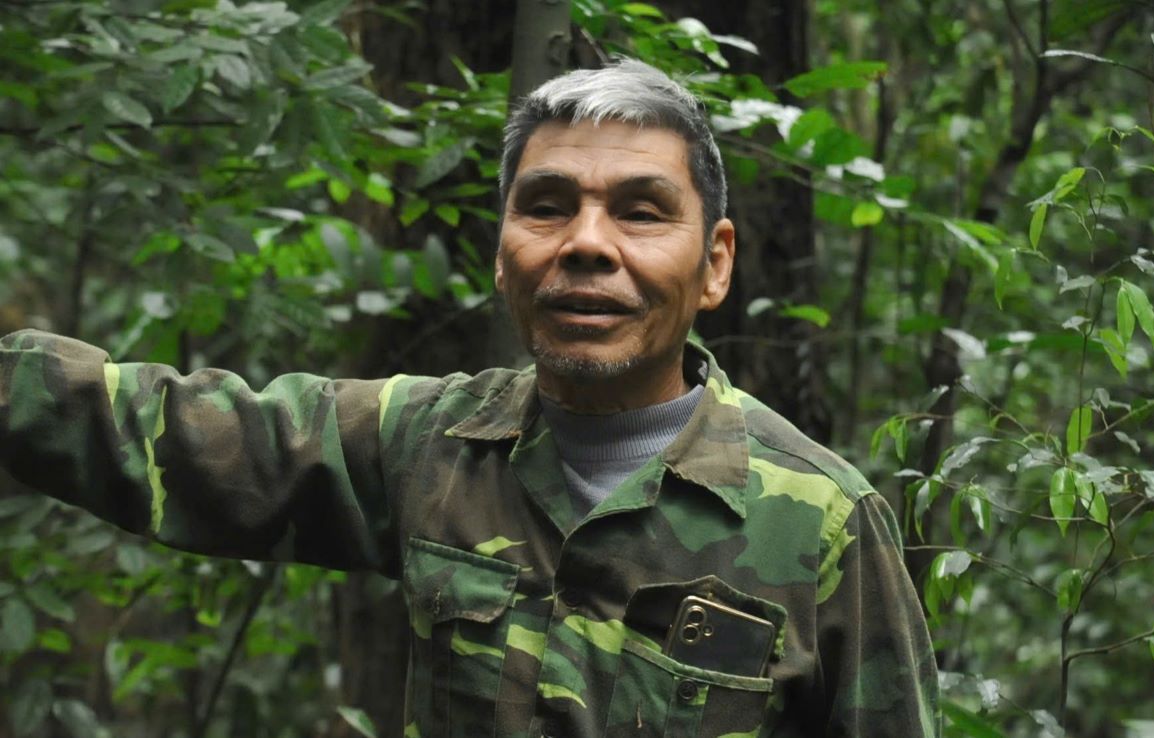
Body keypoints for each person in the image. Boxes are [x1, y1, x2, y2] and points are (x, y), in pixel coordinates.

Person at [0, 59, 938, 737]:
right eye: (546, 205)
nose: (586, 243)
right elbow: (160, 433)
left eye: (641, 211)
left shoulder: (822, 524)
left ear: (716, 263)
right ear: (502, 254)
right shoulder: (427, 443)